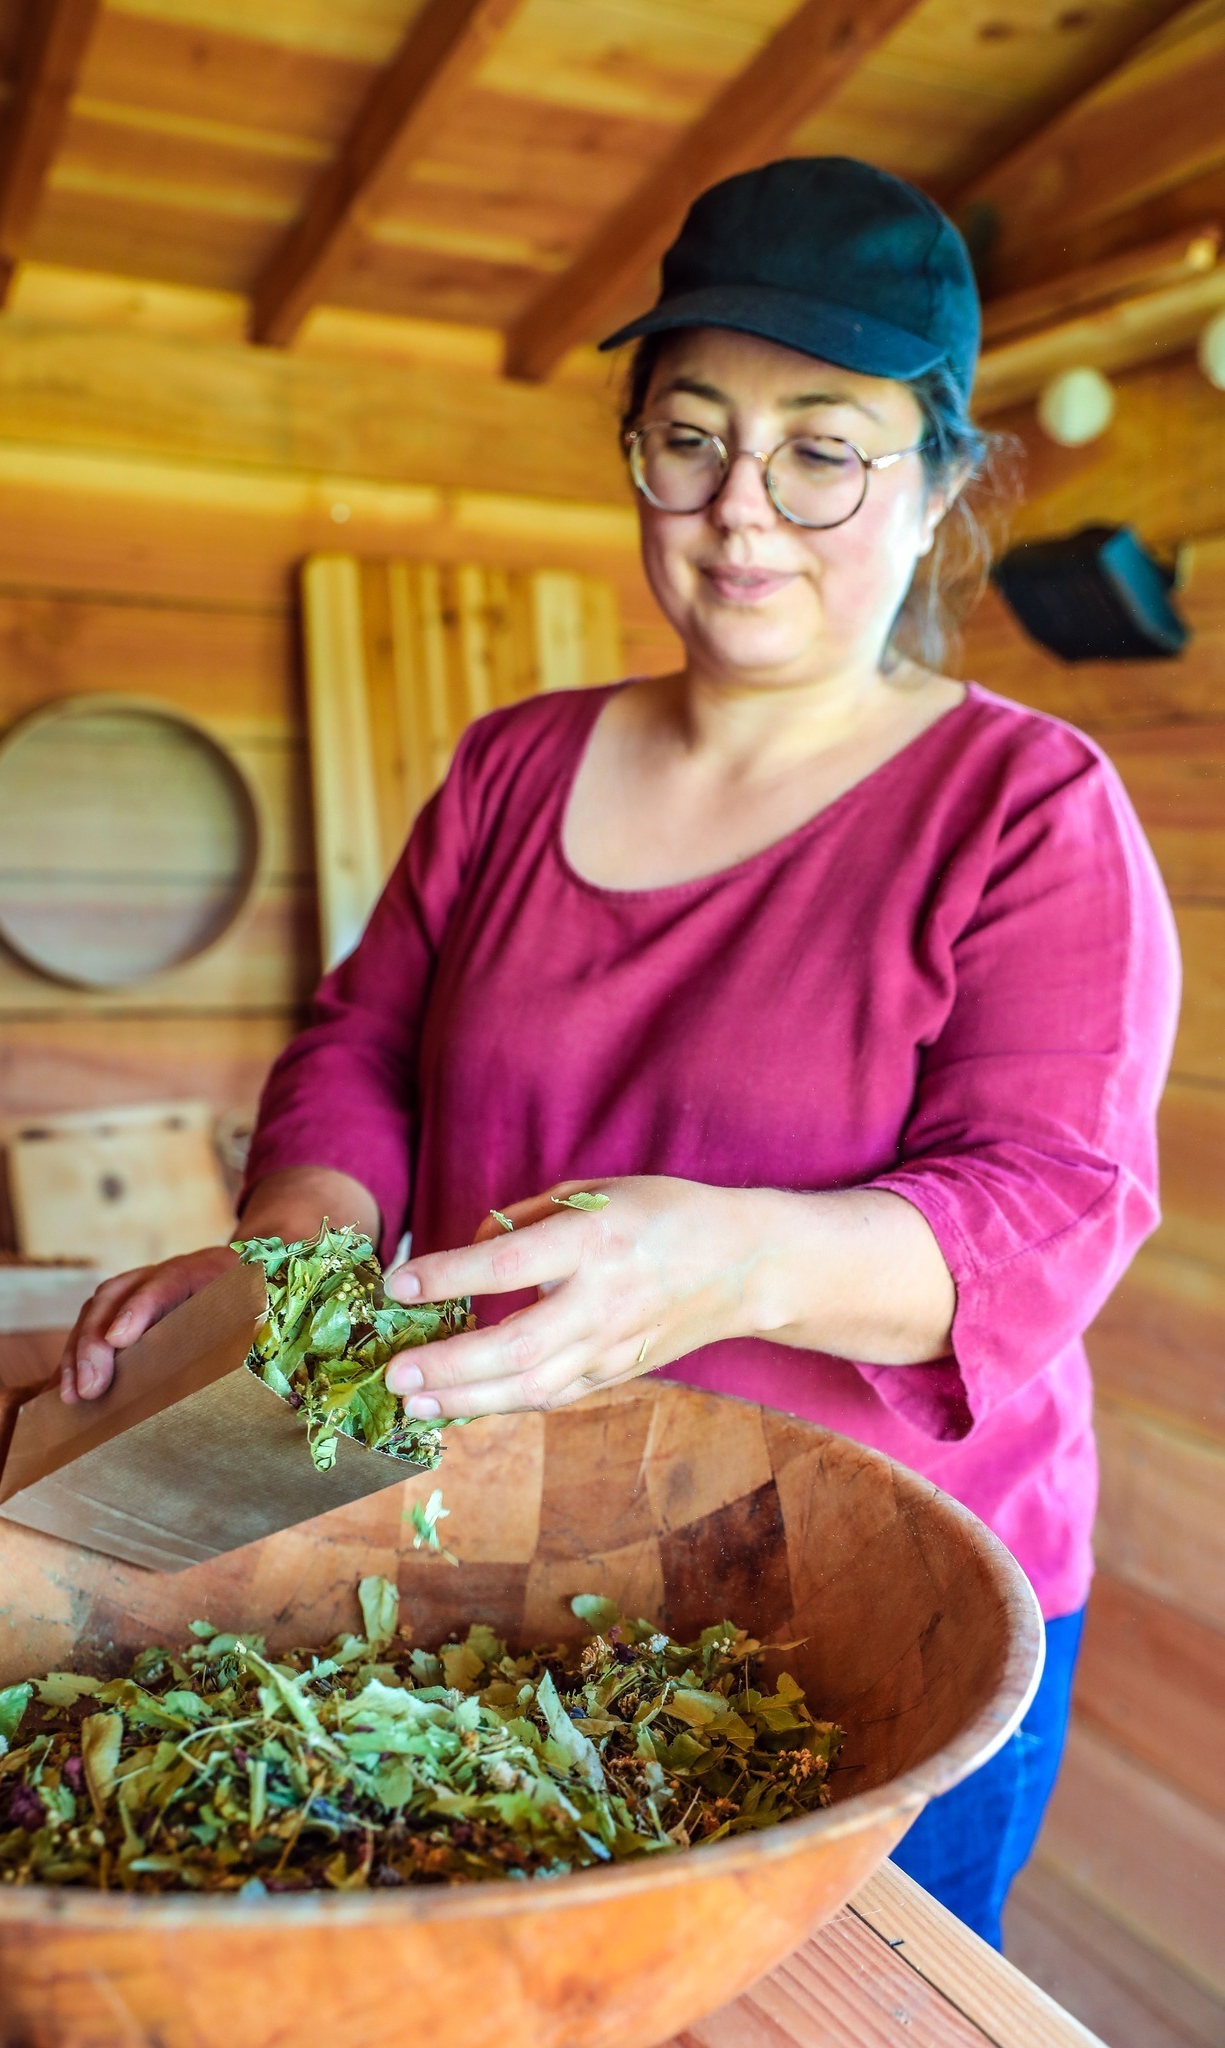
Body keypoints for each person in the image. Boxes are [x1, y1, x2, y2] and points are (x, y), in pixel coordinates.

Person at [59, 157, 1180, 1948]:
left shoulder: (1024, 807)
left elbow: (1046, 1207)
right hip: (498, 1533)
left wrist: (731, 1256)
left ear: (939, 481)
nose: (744, 509)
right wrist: (284, 1254)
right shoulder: (511, 768)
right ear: (635, 452)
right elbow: (362, 1049)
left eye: (823, 449)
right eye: (691, 435)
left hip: (869, 1583)